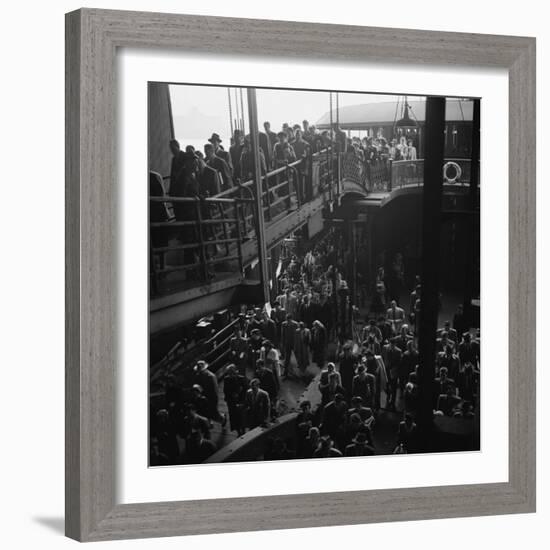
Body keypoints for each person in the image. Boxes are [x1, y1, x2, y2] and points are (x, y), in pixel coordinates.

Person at [194, 360, 226, 427]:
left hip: (211, 396)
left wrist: (213, 397)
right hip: (203, 396)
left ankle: (222, 419)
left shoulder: (211, 376)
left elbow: (214, 388)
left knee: (213, 411)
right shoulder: (198, 375)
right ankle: (210, 422)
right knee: (205, 411)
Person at [223, 364, 248, 436]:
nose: (231, 375)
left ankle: (243, 431)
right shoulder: (226, 379)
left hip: (240, 401)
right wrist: (230, 395)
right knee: (234, 418)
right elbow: (225, 390)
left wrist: (240, 395)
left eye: (232, 373)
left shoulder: (241, 378)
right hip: (231, 402)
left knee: (241, 417)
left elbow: (246, 389)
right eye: (229, 373)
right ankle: (238, 431)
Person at [281, 313, 299, 378]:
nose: (288, 321)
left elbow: (298, 335)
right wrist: (283, 343)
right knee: (287, 358)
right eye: (287, 320)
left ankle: (300, 370)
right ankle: (285, 372)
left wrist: (297, 344)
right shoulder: (284, 324)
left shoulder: (296, 324)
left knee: (297, 356)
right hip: (287, 343)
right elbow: (282, 334)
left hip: (294, 343)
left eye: (289, 320)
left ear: (291, 319)